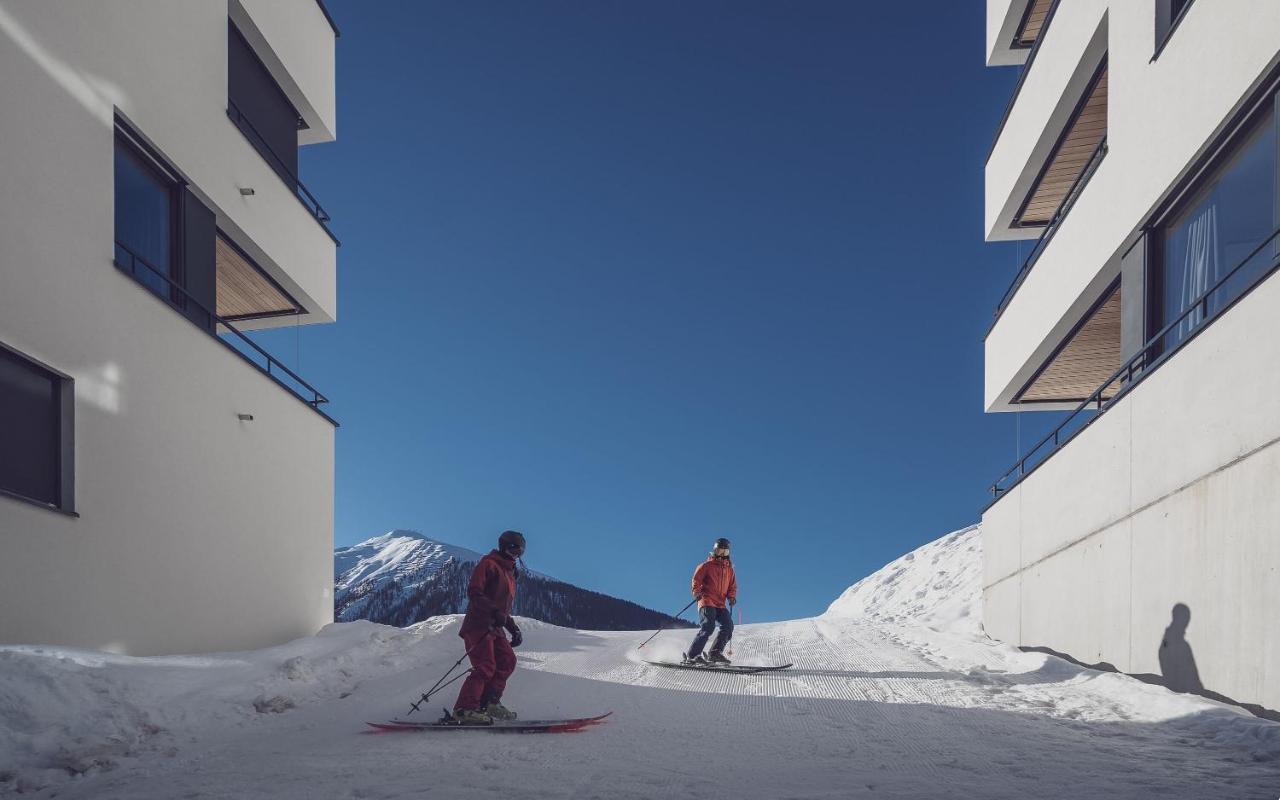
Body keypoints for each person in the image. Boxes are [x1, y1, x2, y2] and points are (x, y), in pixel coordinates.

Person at [452, 530, 526, 724]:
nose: (516, 553)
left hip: (495, 627)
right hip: (478, 624)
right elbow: (475, 592)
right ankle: (464, 709)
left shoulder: (509, 573)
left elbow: (503, 609)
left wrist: (513, 628)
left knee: (507, 660)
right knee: (486, 666)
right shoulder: (489, 564)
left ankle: (489, 703)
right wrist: (494, 612)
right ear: (503, 546)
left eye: (520, 550)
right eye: (513, 548)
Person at [684, 537, 737, 665]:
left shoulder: (730, 570)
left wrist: (732, 597)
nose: (722, 555)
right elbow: (696, 580)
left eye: (725, 552)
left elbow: (732, 586)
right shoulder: (706, 566)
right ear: (714, 550)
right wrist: (696, 592)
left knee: (728, 626)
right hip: (706, 600)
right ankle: (693, 655)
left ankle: (714, 653)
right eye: (719, 551)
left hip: (720, 603)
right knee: (708, 626)